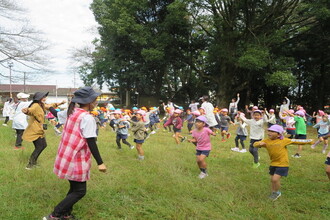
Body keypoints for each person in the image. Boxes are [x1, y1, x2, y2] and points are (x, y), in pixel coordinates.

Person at [44, 87, 107, 220]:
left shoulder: (71, 112)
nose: (96, 101)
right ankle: (54, 215)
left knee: (74, 187)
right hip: (77, 158)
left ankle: (65, 214)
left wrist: (49, 107)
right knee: (80, 191)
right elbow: (91, 142)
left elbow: (56, 114)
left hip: (66, 156)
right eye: (95, 99)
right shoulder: (87, 118)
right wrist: (100, 163)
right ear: (89, 101)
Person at [253, 125, 313, 201]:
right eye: (269, 131)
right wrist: (259, 144)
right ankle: (273, 192)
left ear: (278, 134)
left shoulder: (284, 140)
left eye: (272, 131)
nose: (269, 133)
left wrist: (310, 141)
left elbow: (296, 141)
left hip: (283, 164)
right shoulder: (266, 141)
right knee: (272, 180)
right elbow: (255, 144)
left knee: (275, 179)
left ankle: (277, 192)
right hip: (273, 163)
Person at [22, 92, 63, 170]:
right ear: (39, 98)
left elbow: (50, 106)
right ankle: (30, 164)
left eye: (45, 97)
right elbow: (30, 110)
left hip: (39, 130)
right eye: (43, 97)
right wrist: (26, 111)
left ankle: (33, 162)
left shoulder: (42, 105)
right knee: (40, 146)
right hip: (34, 130)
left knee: (42, 145)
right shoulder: (35, 105)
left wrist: (60, 103)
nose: (45, 98)